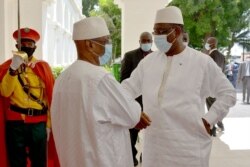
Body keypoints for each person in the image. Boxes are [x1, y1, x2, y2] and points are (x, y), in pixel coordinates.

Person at [121, 6, 236, 167]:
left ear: (176, 31)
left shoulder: (201, 62)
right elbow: (127, 88)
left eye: (161, 31)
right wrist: (131, 110)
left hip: (188, 149)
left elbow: (228, 93)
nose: (156, 36)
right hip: (154, 148)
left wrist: (209, 120)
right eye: (155, 32)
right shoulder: (148, 62)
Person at [51, 17, 151, 167]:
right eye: (105, 42)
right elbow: (132, 114)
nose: (108, 47)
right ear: (90, 44)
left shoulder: (62, 78)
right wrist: (136, 112)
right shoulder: (99, 78)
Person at [0, 28, 59, 167]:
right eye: (23, 43)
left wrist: (49, 125)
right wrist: (13, 70)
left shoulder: (42, 67)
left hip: (38, 123)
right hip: (15, 123)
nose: (26, 47)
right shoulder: (7, 67)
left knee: (39, 162)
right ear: (17, 46)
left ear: (35, 47)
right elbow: (5, 92)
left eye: (30, 44)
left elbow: (50, 97)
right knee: (16, 161)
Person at [120, 31, 153, 166]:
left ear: (152, 41)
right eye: (143, 41)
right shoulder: (130, 56)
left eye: (148, 41)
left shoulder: (158, 57)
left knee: (151, 136)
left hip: (151, 104)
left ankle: (147, 159)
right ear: (139, 42)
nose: (146, 43)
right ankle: (132, 159)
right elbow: (124, 78)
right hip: (134, 103)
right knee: (131, 136)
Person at [204, 37, 226, 136]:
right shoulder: (222, 56)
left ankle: (212, 130)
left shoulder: (211, 56)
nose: (206, 44)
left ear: (212, 44)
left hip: (210, 87)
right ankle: (221, 125)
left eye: (207, 43)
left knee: (211, 108)